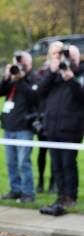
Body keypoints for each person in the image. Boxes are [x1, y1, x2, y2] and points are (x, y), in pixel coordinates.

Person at [38, 44, 84, 215]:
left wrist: (71, 79)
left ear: (78, 58)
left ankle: (70, 196)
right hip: (53, 127)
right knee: (56, 164)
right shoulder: (55, 75)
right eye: (66, 56)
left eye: (71, 57)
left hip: (71, 128)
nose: (68, 60)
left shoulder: (80, 75)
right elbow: (40, 92)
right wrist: (52, 71)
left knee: (68, 164)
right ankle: (60, 195)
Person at [0, 51, 38, 203]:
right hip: (9, 126)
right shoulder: (11, 78)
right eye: (17, 63)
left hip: (24, 127)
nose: (19, 66)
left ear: (29, 64)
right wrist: (7, 78)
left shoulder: (33, 78)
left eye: (23, 63)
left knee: (23, 162)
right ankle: (15, 190)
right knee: (11, 162)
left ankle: (28, 193)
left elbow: (34, 97)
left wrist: (21, 80)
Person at [34, 41, 63, 194]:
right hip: (44, 116)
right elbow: (40, 91)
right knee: (43, 151)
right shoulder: (42, 71)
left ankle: (54, 182)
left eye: (60, 53)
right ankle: (40, 180)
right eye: (54, 53)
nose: (58, 56)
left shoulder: (66, 70)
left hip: (59, 118)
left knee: (55, 152)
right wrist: (52, 71)